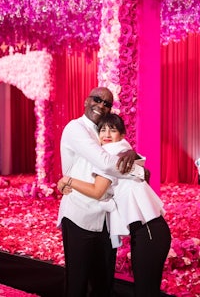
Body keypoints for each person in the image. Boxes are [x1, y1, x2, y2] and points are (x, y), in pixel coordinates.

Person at [59, 113, 171, 297]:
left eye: (113, 129)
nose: (106, 134)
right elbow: (143, 174)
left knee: (145, 292)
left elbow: (97, 191)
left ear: (122, 134)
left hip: (148, 232)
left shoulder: (112, 155)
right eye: (102, 129)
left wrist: (67, 180)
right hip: (150, 231)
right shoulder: (124, 152)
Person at [57, 87, 142, 297]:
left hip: (105, 219)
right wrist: (140, 170)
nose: (102, 106)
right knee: (77, 283)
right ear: (87, 101)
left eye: (107, 104)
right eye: (98, 100)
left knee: (103, 284)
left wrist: (133, 153)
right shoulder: (75, 128)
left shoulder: (105, 129)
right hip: (79, 215)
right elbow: (105, 163)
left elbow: (125, 149)